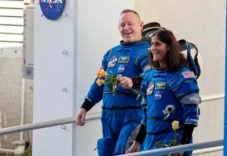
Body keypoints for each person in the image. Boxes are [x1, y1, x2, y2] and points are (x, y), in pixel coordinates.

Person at [75, 9, 151, 156]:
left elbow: (150, 77)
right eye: (122, 25)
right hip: (109, 117)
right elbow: (100, 82)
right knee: (107, 151)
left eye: (130, 24)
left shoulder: (147, 52)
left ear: (141, 25)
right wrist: (85, 107)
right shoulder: (111, 53)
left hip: (133, 115)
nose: (126, 28)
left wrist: (133, 81)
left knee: (125, 151)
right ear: (118, 28)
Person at [126, 29, 201, 156]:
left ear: (169, 47)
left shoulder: (182, 76)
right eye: (152, 44)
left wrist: (183, 146)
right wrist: (137, 143)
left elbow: (191, 115)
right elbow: (146, 116)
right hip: (150, 144)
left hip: (172, 145)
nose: (153, 48)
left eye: (158, 44)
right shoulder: (149, 77)